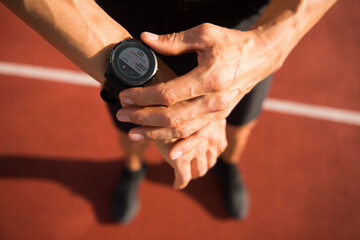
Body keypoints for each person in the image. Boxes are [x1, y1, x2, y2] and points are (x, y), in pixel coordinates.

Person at [1, 0, 337, 224]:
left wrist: (271, 42)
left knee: (239, 126)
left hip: (245, 34)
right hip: (121, 22)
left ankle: (228, 166)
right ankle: (133, 169)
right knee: (133, 129)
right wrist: (160, 93)